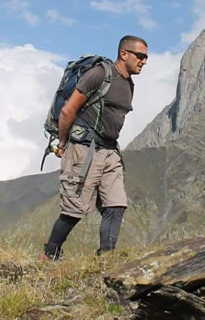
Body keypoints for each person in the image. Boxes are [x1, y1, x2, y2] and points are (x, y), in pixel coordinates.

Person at [42, 35, 147, 260]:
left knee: (116, 205)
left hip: (110, 152)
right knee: (74, 210)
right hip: (83, 150)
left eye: (146, 57)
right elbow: (68, 111)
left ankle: (106, 258)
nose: (144, 61)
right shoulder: (99, 74)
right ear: (124, 54)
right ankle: (49, 255)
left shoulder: (129, 84)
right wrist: (62, 143)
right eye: (140, 56)